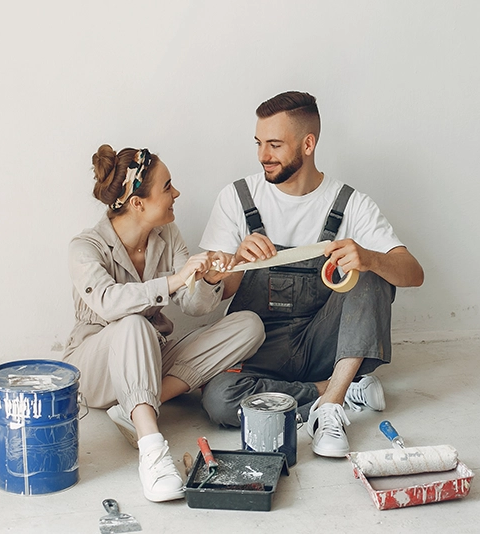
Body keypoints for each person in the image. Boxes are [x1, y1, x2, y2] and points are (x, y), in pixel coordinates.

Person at [199, 91, 424, 458]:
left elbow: (413, 272)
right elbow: (220, 292)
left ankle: (330, 407)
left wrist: (368, 257)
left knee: (370, 268)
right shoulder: (236, 198)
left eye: (274, 145)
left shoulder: (351, 203)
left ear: (308, 144)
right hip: (258, 347)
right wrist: (235, 261)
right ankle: (337, 388)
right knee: (219, 399)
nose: (262, 156)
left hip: (325, 343)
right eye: (258, 143)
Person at [63, 145, 265, 502]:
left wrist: (211, 279)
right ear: (137, 203)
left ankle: (135, 406)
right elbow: (110, 303)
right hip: (94, 368)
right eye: (167, 186)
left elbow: (194, 305)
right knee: (132, 324)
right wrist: (174, 280)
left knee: (249, 324)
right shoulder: (86, 247)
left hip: (151, 354)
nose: (176, 193)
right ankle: (152, 451)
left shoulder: (167, 236)